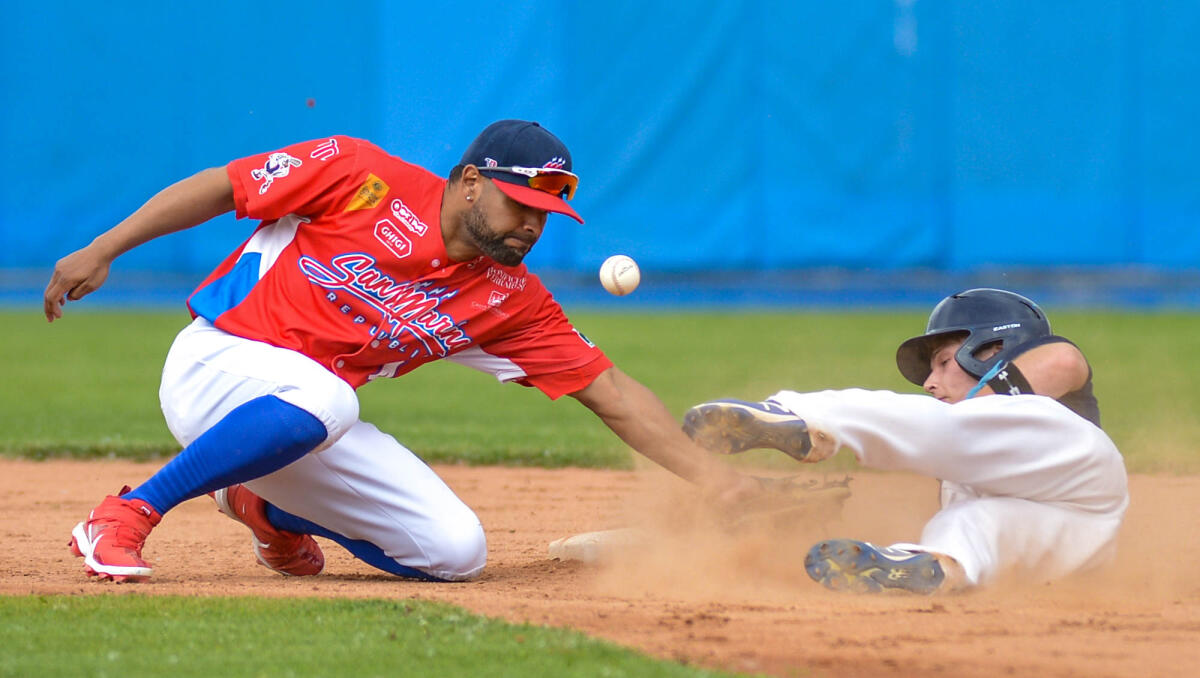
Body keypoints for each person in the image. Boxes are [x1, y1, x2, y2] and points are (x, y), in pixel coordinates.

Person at [45, 119, 761, 583]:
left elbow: (613, 394)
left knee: (455, 552)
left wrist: (714, 478)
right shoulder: (362, 176)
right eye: (523, 207)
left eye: (548, 216)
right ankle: (126, 514)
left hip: (302, 423)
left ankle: (261, 506)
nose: (533, 229)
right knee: (330, 395)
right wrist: (104, 248)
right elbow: (221, 188)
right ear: (472, 182)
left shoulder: (510, 297)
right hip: (218, 366)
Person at [682, 288, 1129, 594]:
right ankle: (929, 566)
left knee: (953, 430)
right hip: (1079, 548)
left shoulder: (1041, 382)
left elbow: (1064, 360)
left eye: (943, 362)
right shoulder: (961, 440)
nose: (930, 383)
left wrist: (971, 399)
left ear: (993, 348)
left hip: (1082, 484)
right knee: (968, 523)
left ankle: (802, 414)